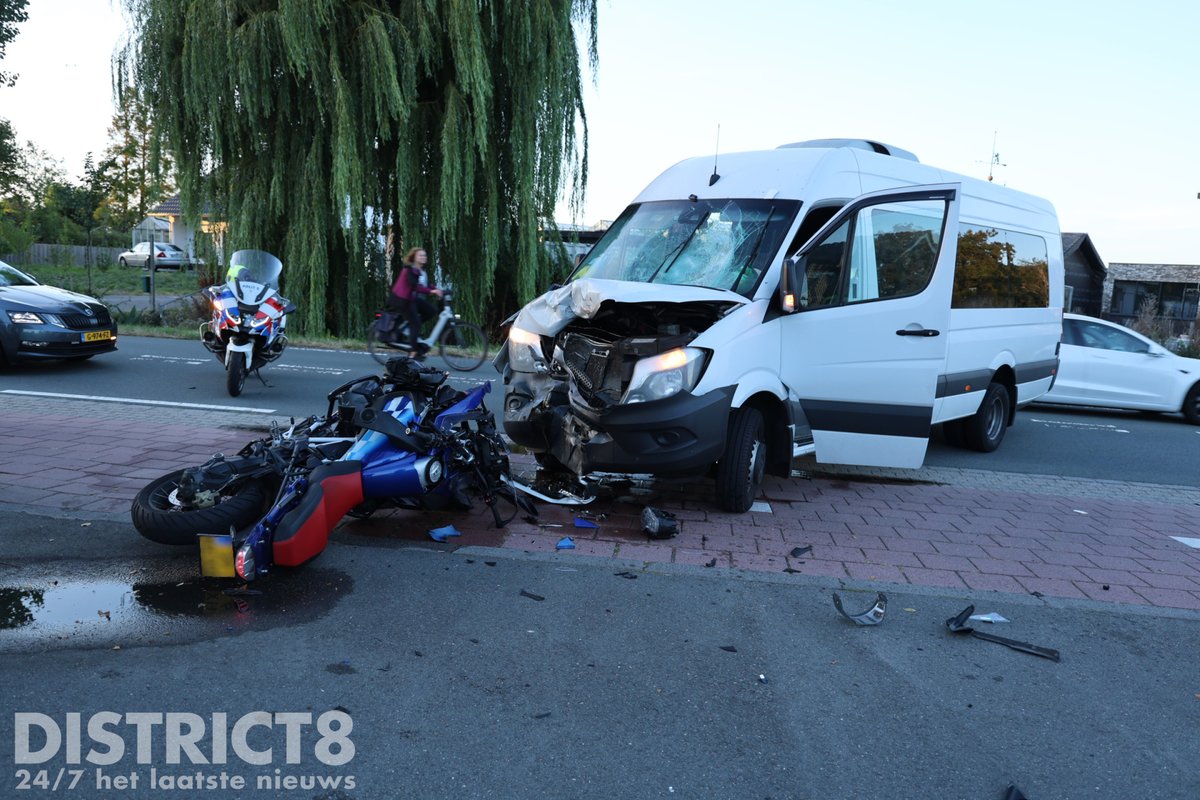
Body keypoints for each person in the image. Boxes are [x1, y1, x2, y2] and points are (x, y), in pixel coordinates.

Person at [389, 247, 443, 357]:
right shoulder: (410, 269)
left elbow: (427, 285)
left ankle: (409, 327)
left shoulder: (422, 271)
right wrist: (433, 291)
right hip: (403, 300)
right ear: (414, 257)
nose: (423, 257)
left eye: (425, 255)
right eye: (420, 255)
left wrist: (439, 289)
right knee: (416, 323)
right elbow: (416, 287)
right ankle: (413, 352)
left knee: (432, 311)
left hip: (411, 298)